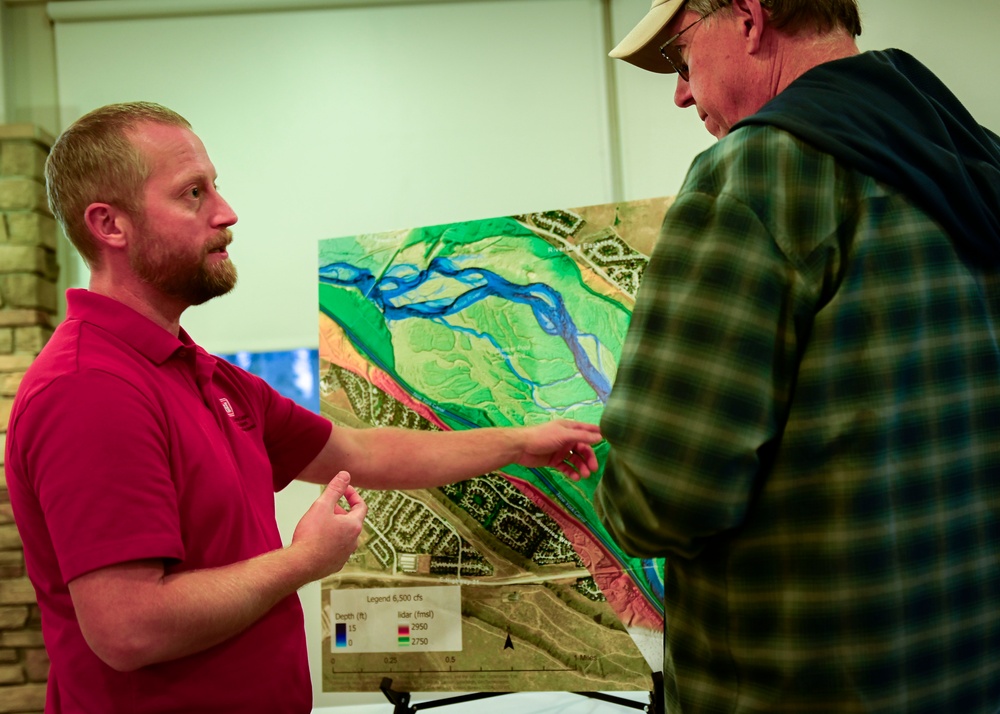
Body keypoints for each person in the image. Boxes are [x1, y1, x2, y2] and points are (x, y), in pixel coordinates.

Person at [4, 101, 602, 714]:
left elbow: (364, 450)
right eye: (192, 193)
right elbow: (129, 628)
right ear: (110, 225)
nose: (226, 213)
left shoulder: (200, 373)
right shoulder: (89, 391)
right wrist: (302, 561)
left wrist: (524, 443)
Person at [593, 1, 1000, 712]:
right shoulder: (979, 164)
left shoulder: (753, 177)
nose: (682, 90)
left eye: (682, 55)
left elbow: (655, 501)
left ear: (750, 18)